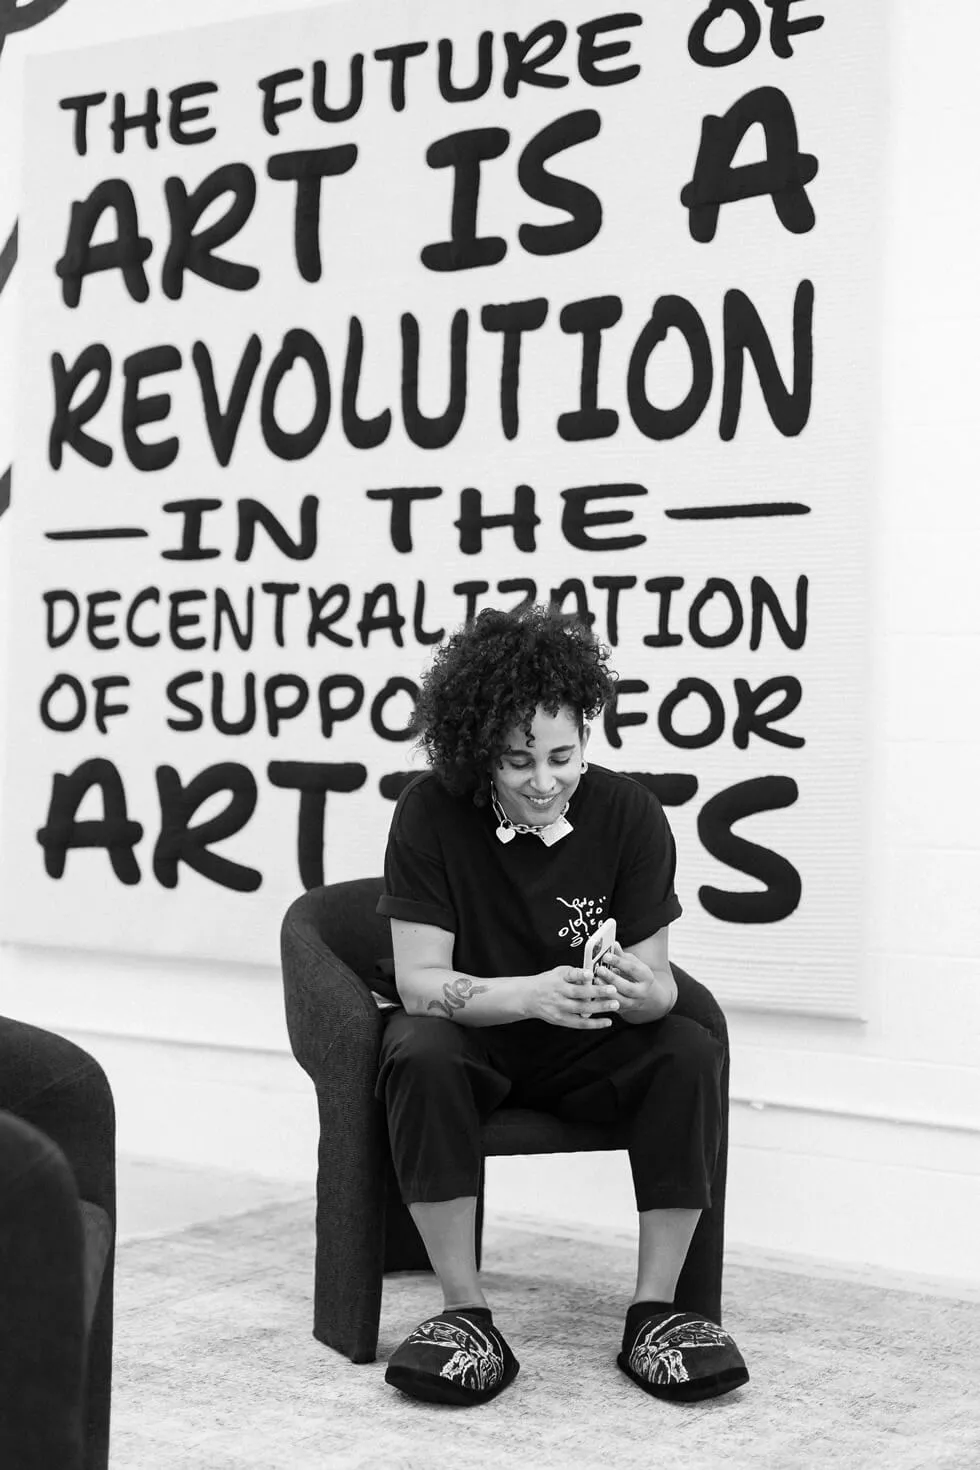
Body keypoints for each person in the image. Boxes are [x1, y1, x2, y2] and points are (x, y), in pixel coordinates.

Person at [375, 604, 748, 1406]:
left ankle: (655, 1315)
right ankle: (465, 1314)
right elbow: (419, 983)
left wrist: (644, 992)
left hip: (585, 1043)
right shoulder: (430, 812)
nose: (543, 781)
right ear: (480, 752)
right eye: (518, 762)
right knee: (417, 1050)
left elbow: (660, 985)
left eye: (562, 756)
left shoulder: (630, 814)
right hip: (478, 1038)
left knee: (688, 1048)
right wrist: (530, 994)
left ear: (585, 736)